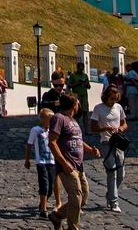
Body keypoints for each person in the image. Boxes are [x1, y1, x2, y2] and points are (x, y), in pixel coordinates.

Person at [48, 93, 100, 230]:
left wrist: (91, 150)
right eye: (77, 103)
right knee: (76, 197)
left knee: (83, 196)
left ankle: (57, 216)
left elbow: (78, 140)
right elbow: (52, 143)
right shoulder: (58, 118)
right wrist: (64, 163)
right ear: (74, 105)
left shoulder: (73, 121)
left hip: (79, 166)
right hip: (67, 166)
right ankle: (73, 227)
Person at [90, 85, 128, 213]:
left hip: (118, 143)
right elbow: (92, 128)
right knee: (111, 171)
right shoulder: (98, 108)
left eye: (115, 99)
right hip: (106, 143)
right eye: (111, 99)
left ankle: (110, 194)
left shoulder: (118, 107)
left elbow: (124, 123)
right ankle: (113, 202)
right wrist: (106, 128)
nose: (113, 102)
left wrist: (120, 128)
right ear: (106, 97)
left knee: (121, 173)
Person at [24, 108, 55, 219]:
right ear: (43, 119)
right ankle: (43, 209)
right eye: (50, 119)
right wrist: (27, 160)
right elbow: (29, 145)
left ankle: (42, 203)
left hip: (52, 161)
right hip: (41, 161)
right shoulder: (35, 130)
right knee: (44, 185)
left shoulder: (52, 131)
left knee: (51, 187)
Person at [67, 62, 91, 134]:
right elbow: (69, 85)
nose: (81, 69)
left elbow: (89, 86)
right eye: (79, 68)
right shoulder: (73, 75)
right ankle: (76, 129)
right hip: (76, 96)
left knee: (85, 113)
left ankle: (87, 130)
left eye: (82, 68)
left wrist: (86, 84)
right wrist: (77, 83)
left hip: (84, 96)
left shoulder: (85, 75)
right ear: (77, 68)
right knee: (76, 113)